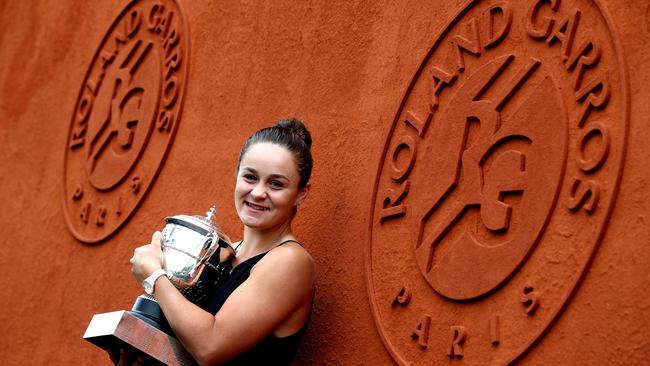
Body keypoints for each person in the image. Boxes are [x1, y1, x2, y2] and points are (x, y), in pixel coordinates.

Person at [124, 118, 316, 365]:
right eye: (250, 177)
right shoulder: (224, 253)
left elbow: (209, 347)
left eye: (276, 184)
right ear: (236, 175)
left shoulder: (291, 261)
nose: (258, 192)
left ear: (302, 193)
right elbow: (185, 346)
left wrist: (153, 275)